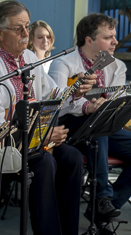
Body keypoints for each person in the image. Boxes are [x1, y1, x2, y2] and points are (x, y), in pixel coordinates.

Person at [0, 0, 96, 235]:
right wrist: (44, 135)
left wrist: (76, 91)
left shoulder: (29, 57)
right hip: (5, 147)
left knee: (72, 157)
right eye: (18, 28)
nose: (25, 33)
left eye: (27, 27)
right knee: (45, 163)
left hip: (36, 141)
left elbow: (54, 94)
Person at [49, 13, 131, 221]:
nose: (115, 41)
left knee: (100, 123)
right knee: (97, 123)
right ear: (89, 40)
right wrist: (87, 107)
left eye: (114, 36)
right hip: (70, 125)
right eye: (108, 37)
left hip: (103, 127)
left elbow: (117, 101)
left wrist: (110, 106)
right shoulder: (63, 64)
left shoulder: (117, 66)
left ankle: (104, 208)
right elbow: (57, 101)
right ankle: (102, 196)